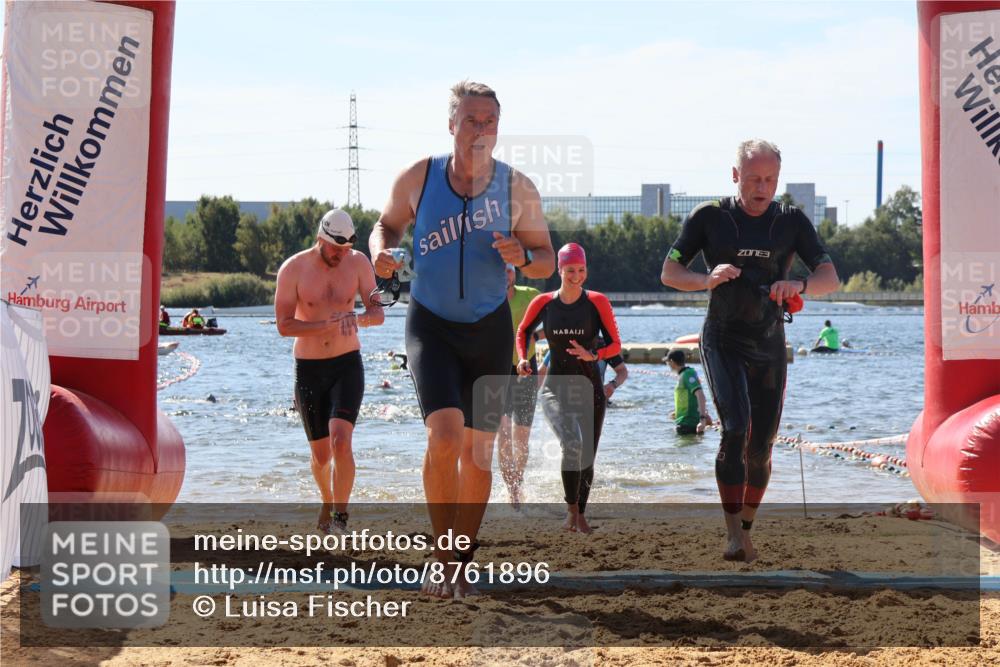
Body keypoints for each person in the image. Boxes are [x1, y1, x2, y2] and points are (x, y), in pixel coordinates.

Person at [369, 80, 554, 598]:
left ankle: (459, 561)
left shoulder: (518, 188)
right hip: (431, 325)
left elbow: (546, 259)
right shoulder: (419, 177)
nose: (480, 129)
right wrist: (381, 252)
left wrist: (523, 257)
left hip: (490, 328)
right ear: (451, 124)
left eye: (489, 121)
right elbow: (384, 226)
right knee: (444, 436)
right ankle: (441, 553)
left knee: (478, 454)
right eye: (471, 120)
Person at [660, 139, 839, 563]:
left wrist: (799, 285)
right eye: (754, 178)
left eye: (771, 180)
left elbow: (830, 276)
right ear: (735, 175)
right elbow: (669, 272)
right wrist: (706, 279)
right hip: (722, 337)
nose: (763, 188)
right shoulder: (709, 217)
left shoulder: (791, 221)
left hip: (768, 341)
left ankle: (747, 528)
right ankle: (732, 537)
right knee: (735, 427)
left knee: (762, 445)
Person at [275, 209, 384, 535]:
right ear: (321, 238)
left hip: (347, 364)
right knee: (321, 456)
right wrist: (325, 325)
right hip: (308, 370)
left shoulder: (359, 263)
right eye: (336, 248)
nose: (341, 254)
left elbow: (377, 312)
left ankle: (341, 516)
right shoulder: (293, 269)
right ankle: (327, 499)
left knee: (341, 441)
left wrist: (358, 319)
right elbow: (283, 325)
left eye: (347, 247)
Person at [516, 243, 622, 535]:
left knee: (587, 455)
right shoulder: (544, 303)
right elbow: (523, 331)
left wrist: (595, 356)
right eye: (570, 270)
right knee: (571, 444)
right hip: (555, 389)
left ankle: (581, 515)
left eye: (581, 270)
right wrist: (524, 357)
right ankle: (571, 511)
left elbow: (615, 345)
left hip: (591, 390)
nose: (576, 276)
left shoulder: (597, 302)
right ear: (560, 270)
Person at [498, 264, 542, 508]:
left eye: (510, 270)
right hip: (496, 370)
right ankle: (511, 490)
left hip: (527, 369)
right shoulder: (487, 298)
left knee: (521, 437)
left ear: (515, 273)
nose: (506, 275)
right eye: (501, 270)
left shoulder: (531, 295)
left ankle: (518, 480)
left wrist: (536, 337)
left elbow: (555, 317)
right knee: (503, 434)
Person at [665, 349, 712, 435]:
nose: (667, 365)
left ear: (671, 361)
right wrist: (678, 412)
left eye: (667, 362)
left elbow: (700, 395)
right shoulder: (684, 375)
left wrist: (702, 419)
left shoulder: (687, 374)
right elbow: (690, 399)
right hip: (684, 422)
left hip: (688, 424)